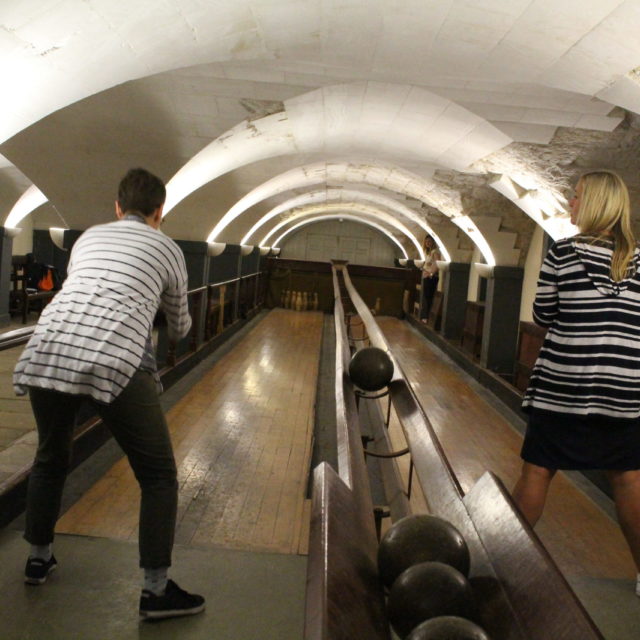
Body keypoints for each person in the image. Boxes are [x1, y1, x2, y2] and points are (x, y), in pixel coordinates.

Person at [13, 168, 205, 620]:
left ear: (117, 207)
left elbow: (86, 289)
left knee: (50, 456)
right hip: (115, 359)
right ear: (160, 211)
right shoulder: (167, 248)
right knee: (158, 475)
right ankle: (156, 592)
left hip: (48, 348)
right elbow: (179, 325)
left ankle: (38, 558)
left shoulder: (89, 239)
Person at [512, 169, 640, 595]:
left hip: (563, 386)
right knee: (628, 480)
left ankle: (502, 562)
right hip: (624, 392)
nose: (570, 202)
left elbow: (543, 315)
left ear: (596, 203)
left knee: (539, 470)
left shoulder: (563, 253)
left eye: (577, 195)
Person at [420, 235, 441, 322]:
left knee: (429, 297)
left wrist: (431, 274)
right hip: (426, 276)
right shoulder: (428, 252)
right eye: (426, 241)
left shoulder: (434, 252)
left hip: (431, 278)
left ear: (433, 242)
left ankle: (427, 316)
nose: (427, 243)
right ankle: (425, 316)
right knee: (425, 296)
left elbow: (437, 264)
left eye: (429, 241)